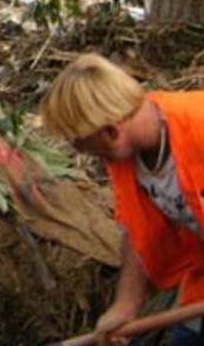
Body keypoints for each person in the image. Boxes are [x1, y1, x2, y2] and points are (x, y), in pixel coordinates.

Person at [40, 53, 204, 346]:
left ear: (112, 131)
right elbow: (139, 230)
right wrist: (124, 306)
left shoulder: (198, 124)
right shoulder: (125, 157)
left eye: (91, 149)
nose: (90, 157)